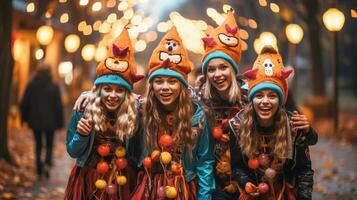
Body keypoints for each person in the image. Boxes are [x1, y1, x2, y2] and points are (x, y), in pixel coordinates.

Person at [131, 26, 215, 200]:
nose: (165, 87)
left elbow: (205, 161)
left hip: (184, 188)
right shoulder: (141, 111)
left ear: (182, 86)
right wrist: (90, 93)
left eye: (172, 81)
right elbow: (113, 95)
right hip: (149, 188)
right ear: (152, 86)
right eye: (159, 81)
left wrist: (204, 196)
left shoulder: (197, 117)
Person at [64, 29, 144, 200]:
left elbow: (138, 153)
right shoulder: (83, 108)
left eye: (119, 90)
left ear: (127, 93)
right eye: (107, 89)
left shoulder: (136, 112)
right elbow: (73, 151)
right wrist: (82, 135)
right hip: (87, 179)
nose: (112, 95)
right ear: (98, 90)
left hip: (122, 181)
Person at [229, 46, 317, 200]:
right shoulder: (237, 126)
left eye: (272, 96)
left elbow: (304, 171)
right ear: (251, 100)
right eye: (259, 95)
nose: (265, 101)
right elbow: (237, 167)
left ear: (280, 100)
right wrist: (246, 183)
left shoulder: (293, 127)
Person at [195, 10, 245, 199]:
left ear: (232, 69)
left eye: (223, 67)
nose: (217, 74)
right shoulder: (198, 99)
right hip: (210, 180)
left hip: (246, 178)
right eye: (211, 69)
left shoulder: (250, 98)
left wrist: (306, 130)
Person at [20, 62, 64, 179]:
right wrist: (60, 122)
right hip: (51, 122)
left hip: (35, 120)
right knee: (49, 145)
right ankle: (47, 164)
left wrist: (23, 119)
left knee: (38, 144)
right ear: (50, 72)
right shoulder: (54, 86)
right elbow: (58, 106)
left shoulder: (31, 85)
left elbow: (24, 103)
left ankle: (39, 168)